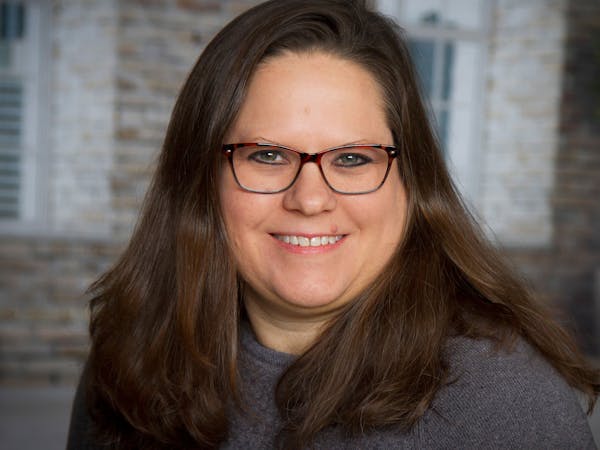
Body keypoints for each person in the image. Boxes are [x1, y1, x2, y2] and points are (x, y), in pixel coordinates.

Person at [67, 0, 599, 448]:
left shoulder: (504, 409)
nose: (310, 198)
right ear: (200, 178)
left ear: (411, 184)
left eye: (352, 159)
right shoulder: (130, 359)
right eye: (268, 155)